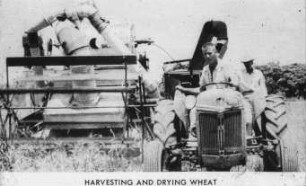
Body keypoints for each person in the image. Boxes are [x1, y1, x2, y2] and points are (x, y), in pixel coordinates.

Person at [175, 41, 237, 134]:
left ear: (216, 53)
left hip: (224, 102)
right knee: (193, 111)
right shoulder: (205, 70)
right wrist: (184, 89)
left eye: (210, 53)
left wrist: (230, 89)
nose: (207, 56)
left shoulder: (226, 66)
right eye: (205, 54)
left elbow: (234, 83)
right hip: (208, 103)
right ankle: (195, 133)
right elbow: (201, 89)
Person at [237, 55, 268, 137]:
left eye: (249, 62)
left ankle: (264, 137)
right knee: (248, 120)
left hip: (257, 97)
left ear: (252, 62)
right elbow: (238, 85)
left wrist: (264, 99)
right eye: (245, 63)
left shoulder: (258, 73)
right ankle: (249, 138)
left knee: (262, 116)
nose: (247, 65)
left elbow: (263, 87)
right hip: (245, 97)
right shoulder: (239, 74)